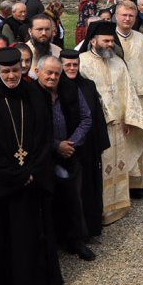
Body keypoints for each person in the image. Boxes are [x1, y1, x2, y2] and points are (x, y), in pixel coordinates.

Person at [79, 21, 143, 224]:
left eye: (112, 41)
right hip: (97, 126)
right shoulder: (82, 62)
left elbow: (129, 91)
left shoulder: (118, 62)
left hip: (119, 126)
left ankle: (119, 205)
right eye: (106, 41)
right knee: (102, 167)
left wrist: (130, 118)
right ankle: (100, 210)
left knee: (118, 164)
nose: (110, 44)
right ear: (93, 41)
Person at [34, 54, 98, 261]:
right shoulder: (31, 93)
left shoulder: (70, 88)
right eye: (49, 73)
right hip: (43, 156)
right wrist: (56, 145)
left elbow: (86, 118)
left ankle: (76, 240)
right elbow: (32, 128)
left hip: (71, 152)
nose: (53, 77)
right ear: (37, 72)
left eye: (57, 73)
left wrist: (70, 143)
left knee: (73, 198)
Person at [59, 48, 110, 239]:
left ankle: (91, 228)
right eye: (68, 65)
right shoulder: (57, 88)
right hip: (65, 150)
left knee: (90, 188)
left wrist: (99, 144)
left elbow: (96, 116)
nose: (72, 68)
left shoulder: (88, 85)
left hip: (88, 147)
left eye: (75, 65)